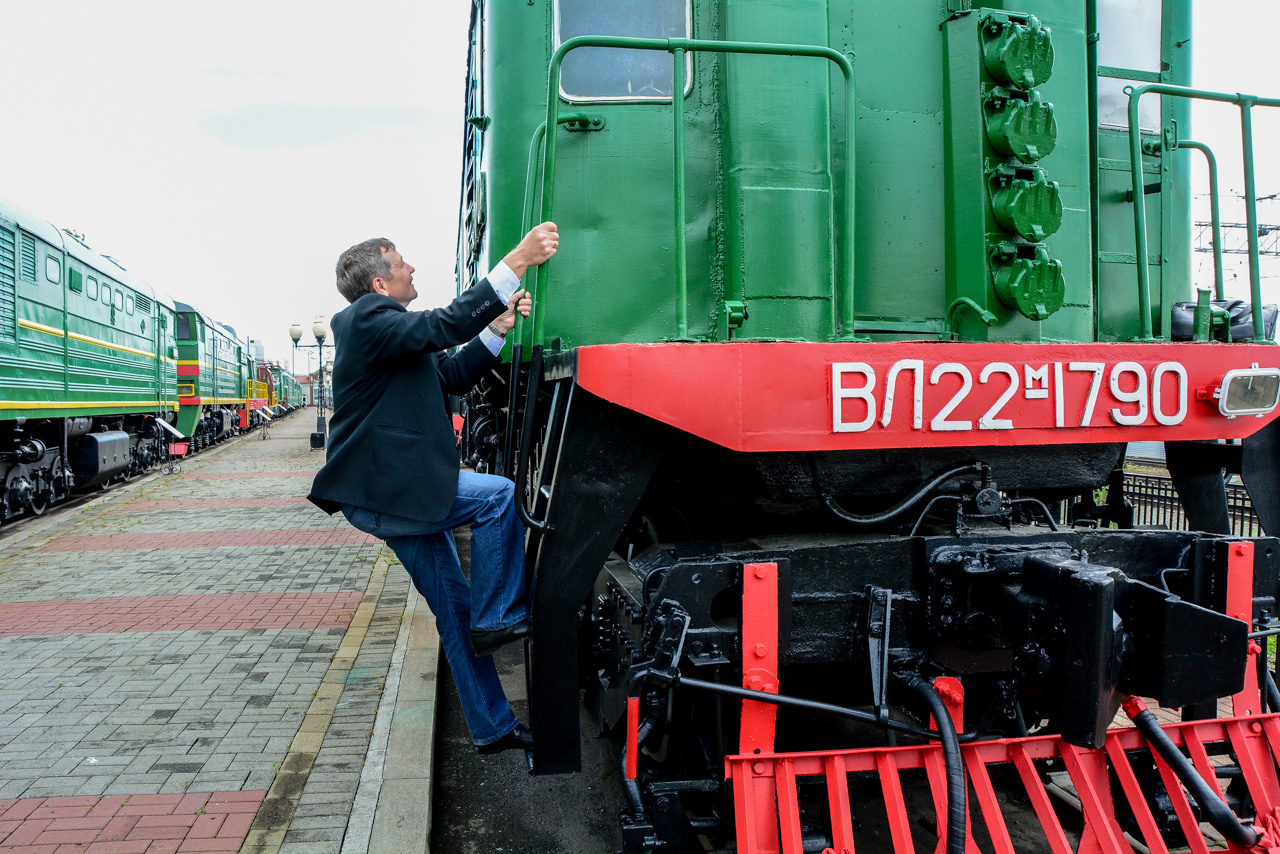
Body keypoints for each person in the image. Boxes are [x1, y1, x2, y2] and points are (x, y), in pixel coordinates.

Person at [308, 222, 558, 754]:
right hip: (387, 491)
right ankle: (500, 617)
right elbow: (445, 324)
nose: (412, 268)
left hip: (391, 494)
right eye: (402, 263)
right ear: (380, 284)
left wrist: (498, 328)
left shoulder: (388, 336)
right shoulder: (368, 318)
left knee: (452, 612)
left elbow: (449, 374)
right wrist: (515, 260)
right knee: (496, 496)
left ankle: (492, 727)